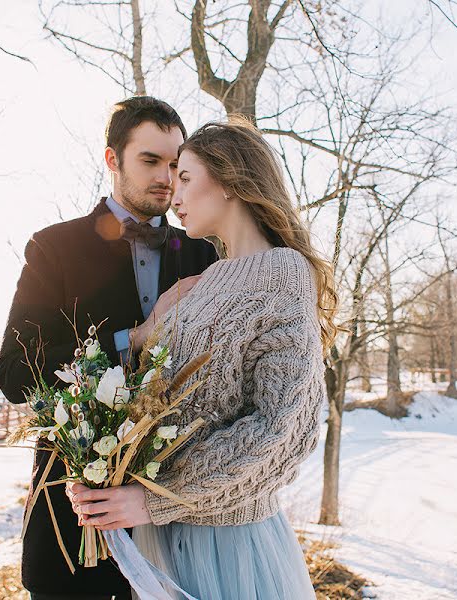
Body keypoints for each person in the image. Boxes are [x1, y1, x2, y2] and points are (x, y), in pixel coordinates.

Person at [67, 117, 338, 599]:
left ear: (230, 180)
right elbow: (157, 400)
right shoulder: (208, 279)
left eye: (186, 178)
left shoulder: (282, 273)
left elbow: (282, 431)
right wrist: (100, 468)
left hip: (228, 548)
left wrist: (154, 500)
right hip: (163, 540)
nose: (174, 195)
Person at [0, 96, 219, 600]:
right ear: (112, 160)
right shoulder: (54, 248)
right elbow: (14, 373)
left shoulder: (206, 254)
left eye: (176, 163)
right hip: (75, 530)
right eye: (150, 160)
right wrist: (133, 343)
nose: (166, 176)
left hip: (182, 531)